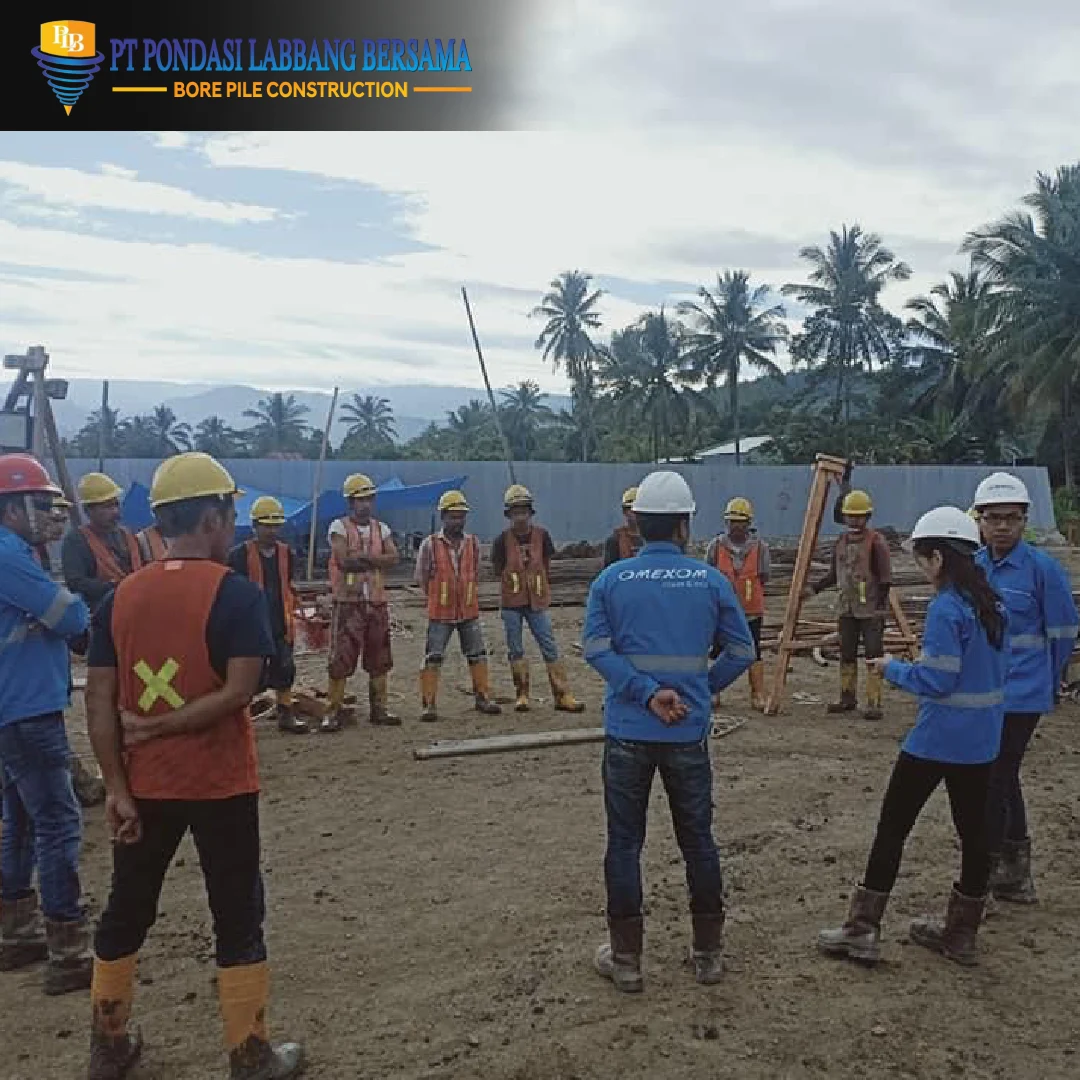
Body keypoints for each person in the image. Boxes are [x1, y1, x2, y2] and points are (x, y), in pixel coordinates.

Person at [84, 451, 304, 1080]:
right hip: (221, 784)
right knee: (237, 912)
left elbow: (99, 699)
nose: (233, 525)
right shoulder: (235, 594)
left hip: (145, 785)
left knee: (127, 908)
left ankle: (107, 1046)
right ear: (212, 518)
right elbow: (239, 692)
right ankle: (249, 1053)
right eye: (230, 513)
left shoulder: (120, 598)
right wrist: (163, 726)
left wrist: (116, 787)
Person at [582, 471, 756, 994]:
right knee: (698, 840)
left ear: (637, 524)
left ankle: (627, 961)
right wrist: (698, 691)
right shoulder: (710, 580)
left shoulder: (610, 581)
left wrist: (643, 692)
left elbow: (595, 650)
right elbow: (742, 651)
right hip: (686, 733)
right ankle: (708, 955)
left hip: (628, 731)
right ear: (684, 525)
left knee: (624, 843)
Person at [818, 506, 1006, 967]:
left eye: (923, 559)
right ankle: (961, 935)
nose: (921, 568)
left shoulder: (946, 609)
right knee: (975, 836)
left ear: (938, 558)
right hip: (982, 742)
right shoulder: (991, 604)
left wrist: (892, 668)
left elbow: (938, 680)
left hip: (936, 741)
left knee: (893, 828)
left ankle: (862, 929)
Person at [0, 453, 93, 995]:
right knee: (58, 822)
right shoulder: (9, 556)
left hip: (13, 708)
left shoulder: (16, 553)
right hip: (28, 709)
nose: (51, 515)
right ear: (11, 508)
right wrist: (71, 608)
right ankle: (68, 947)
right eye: (39, 504)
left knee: (20, 819)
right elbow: (71, 617)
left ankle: (18, 931)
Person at [972, 472, 1078, 905]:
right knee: (1001, 775)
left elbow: (1064, 631)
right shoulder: (974, 568)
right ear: (979, 520)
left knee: (994, 778)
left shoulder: (1042, 569)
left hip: (1024, 692)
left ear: (1024, 520)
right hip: (984, 693)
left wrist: (1050, 682)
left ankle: (988, 872)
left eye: (1011, 518)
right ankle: (1014, 873)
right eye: (993, 518)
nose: (1002, 526)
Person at [492, 484, 585, 714]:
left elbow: (545, 564)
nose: (520, 517)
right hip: (511, 603)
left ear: (530, 513)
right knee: (515, 648)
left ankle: (562, 694)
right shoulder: (501, 540)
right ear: (508, 515)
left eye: (524, 512)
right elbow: (498, 568)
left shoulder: (542, 536)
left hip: (537, 601)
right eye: (516, 512)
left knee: (549, 645)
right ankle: (522, 694)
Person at [414, 490, 501, 721]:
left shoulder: (473, 543)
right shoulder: (430, 544)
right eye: (453, 517)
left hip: (468, 610)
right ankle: (429, 704)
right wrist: (437, 595)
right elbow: (421, 576)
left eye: (461, 516)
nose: (457, 521)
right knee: (433, 656)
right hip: (440, 612)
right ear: (443, 517)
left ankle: (483, 697)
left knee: (477, 654)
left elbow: (476, 572)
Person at [806, 487, 892, 720]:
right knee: (847, 653)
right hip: (846, 607)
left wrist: (880, 608)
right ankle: (847, 697)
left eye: (859, 516)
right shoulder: (841, 542)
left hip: (870, 609)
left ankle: (874, 702)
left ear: (867, 517)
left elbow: (885, 579)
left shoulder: (876, 542)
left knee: (873, 654)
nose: (854, 521)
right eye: (850, 516)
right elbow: (834, 574)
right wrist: (814, 589)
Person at [322, 473, 400, 732]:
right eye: (360, 499)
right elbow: (344, 561)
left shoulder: (381, 528)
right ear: (350, 502)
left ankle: (380, 709)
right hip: (348, 602)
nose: (365, 504)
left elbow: (394, 558)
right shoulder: (338, 527)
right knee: (341, 657)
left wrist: (363, 558)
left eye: (368, 499)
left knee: (380, 656)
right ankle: (332, 711)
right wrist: (376, 559)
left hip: (375, 602)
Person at [228, 496, 308, 735]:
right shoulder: (239, 555)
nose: (272, 531)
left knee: (285, 668)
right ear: (255, 526)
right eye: (266, 525)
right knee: (250, 674)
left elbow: (288, 583)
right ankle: (241, 722)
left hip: (280, 621)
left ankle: (285, 713)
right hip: (251, 624)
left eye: (275, 525)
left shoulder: (286, 553)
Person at [706, 497, 770, 711]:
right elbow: (709, 575)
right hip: (721, 609)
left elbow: (764, 575)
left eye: (740, 522)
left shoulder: (760, 548)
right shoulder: (716, 546)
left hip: (751, 610)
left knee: (754, 649)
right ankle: (712, 690)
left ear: (748, 523)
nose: (735, 526)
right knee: (717, 648)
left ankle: (757, 692)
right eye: (732, 521)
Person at [61, 472, 142, 612]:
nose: (116, 512)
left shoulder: (128, 535)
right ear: (88, 510)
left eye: (116, 505)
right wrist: (114, 587)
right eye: (107, 507)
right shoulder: (76, 541)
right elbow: (76, 583)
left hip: (137, 606)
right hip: (104, 612)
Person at [602, 487, 643, 567]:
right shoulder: (615, 540)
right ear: (624, 511)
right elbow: (609, 569)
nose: (636, 513)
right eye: (632, 509)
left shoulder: (657, 538)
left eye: (639, 509)